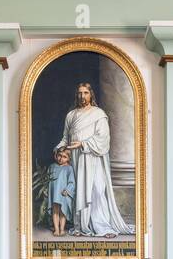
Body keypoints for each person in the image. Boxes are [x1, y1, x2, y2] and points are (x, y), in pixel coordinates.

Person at [56, 82, 133, 239]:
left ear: (91, 94)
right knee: (80, 189)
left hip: (93, 156)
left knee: (97, 189)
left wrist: (83, 143)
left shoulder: (98, 114)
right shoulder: (71, 115)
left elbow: (103, 138)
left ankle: (102, 226)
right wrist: (59, 148)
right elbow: (66, 137)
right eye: (79, 93)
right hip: (77, 158)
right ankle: (82, 225)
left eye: (85, 93)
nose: (82, 96)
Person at [48, 146, 75, 236]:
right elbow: (48, 180)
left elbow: (71, 182)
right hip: (54, 193)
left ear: (68, 158)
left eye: (64, 157)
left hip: (63, 193)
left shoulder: (69, 168)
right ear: (56, 155)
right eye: (59, 155)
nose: (61, 158)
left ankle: (62, 229)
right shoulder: (52, 167)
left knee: (63, 211)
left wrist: (67, 190)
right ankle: (56, 229)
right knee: (55, 211)